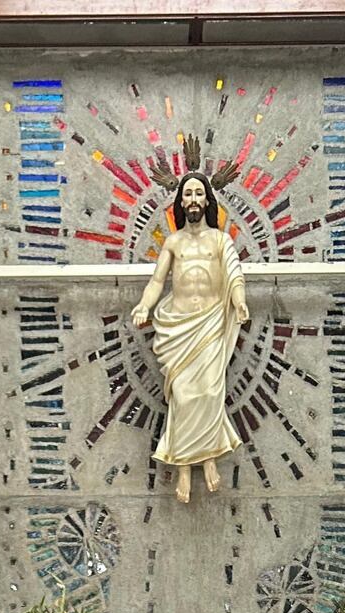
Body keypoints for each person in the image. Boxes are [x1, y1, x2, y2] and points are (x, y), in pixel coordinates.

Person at [131, 170, 249, 503]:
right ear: (181, 202)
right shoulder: (173, 242)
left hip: (210, 322)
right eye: (188, 194)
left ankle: (209, 457)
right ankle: (183, 467)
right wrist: (144, 305)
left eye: (199, 194)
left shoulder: (220, 240)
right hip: (178, 327)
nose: (193, 200)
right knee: (182, 396)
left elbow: (234, 274)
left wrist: (239, 302)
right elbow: (157, 281)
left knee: (210, 392)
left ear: (207, 200)